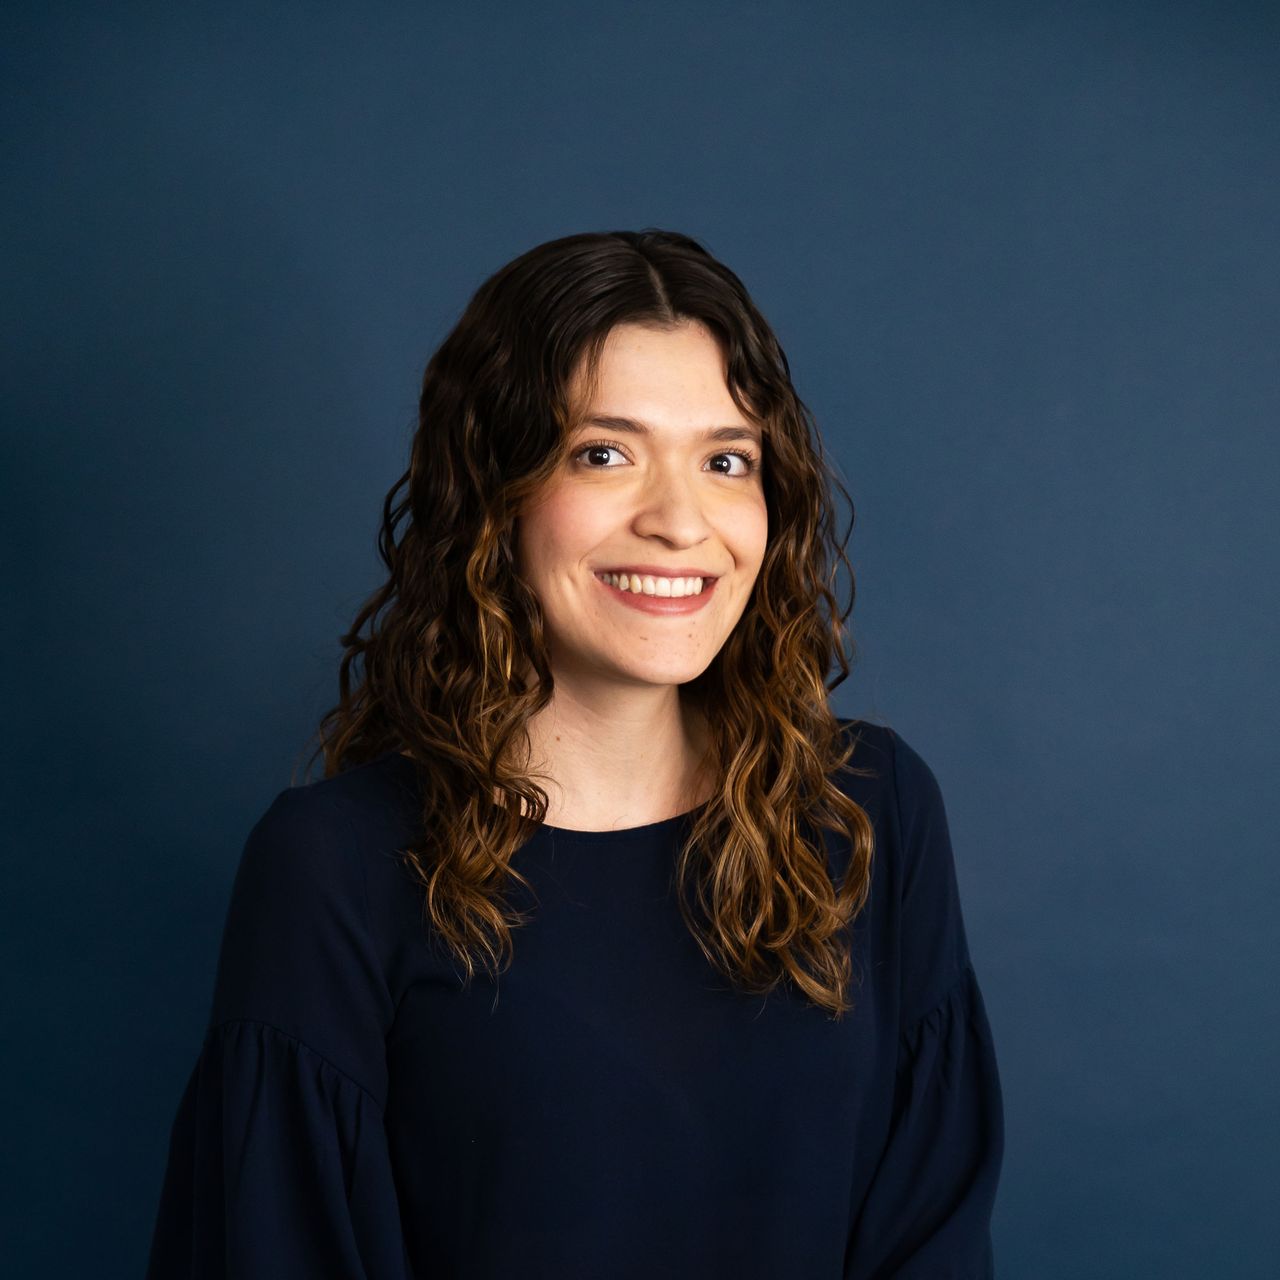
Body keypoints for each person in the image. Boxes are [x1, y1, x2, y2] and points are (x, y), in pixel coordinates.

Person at [145, 229, 1004, 1278]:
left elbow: (931, 1237)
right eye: (604, 453)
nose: (679, 521)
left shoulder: (869, 811)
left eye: (725, 460)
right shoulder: (335, 867)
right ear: (493, 495)